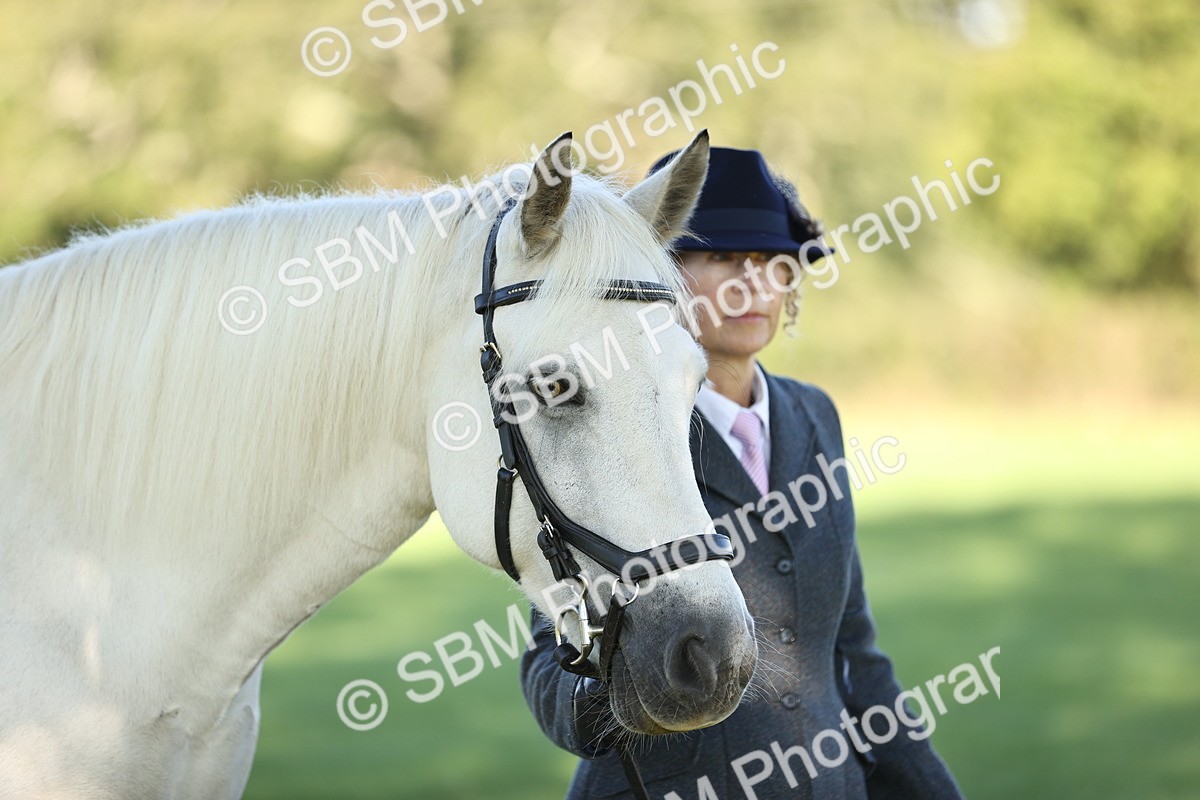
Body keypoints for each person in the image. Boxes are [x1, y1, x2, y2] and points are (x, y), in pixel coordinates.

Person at [520, 147, 964, 800]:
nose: (752, 284)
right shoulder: (608, 430)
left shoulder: (815, 416)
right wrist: (619, 693)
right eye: (727, 259)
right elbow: (548, 664)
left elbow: (853, 651)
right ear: (664, 272)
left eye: (771, 264)